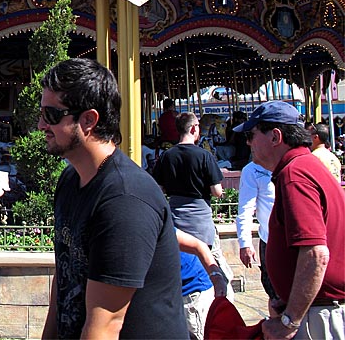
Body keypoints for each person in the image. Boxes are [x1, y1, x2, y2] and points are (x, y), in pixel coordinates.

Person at [40, 58, 187, 339]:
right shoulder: (70, 180)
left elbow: (105, 326)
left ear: (88, 120)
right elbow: (66, 276)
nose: (40, 125)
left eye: (51, 115)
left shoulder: (124, 199)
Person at [235, 101, 345, 340]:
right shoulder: (306, 166)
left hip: (318, 316)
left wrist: (289, 320)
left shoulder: (295, 173)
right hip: (319, 310)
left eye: (251, 135)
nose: (248, 142)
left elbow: (316, 253)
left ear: (275, 137)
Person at [153, 111, 224, 248]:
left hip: (175, 218)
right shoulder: (204, 156)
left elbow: (159, 188)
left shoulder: (166, 156)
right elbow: (216, 191)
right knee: (207, 262)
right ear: (193, 128)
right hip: (200, 221)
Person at [235, 159, 279, 315]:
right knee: (275, 297)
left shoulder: (298, 162)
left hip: (298, 242)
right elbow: (246, 209)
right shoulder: (252, 170)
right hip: (271, 242)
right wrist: (245, 243)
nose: (249, 143)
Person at [176, 228, 228, 340]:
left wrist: (216, 277)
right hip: (174, 293)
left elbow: (199, 246)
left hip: (193, 292)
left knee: (198, 335)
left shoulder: (149, 222)